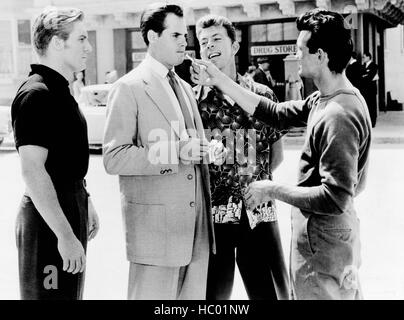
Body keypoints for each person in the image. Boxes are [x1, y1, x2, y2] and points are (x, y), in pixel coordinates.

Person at [190, 9, 372, 300]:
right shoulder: (325, 100)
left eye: (300, 49)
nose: (295, 55)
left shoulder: (338, 114)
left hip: (324, 242)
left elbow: (336, 197)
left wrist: (271, 189)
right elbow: (275, 113)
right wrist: (219, 80)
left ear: (321, 56)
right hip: (322, 238)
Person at [103, 3, 222, 300]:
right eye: (176, 35)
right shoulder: (128, 87)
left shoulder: (183, 86)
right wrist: (176, 153)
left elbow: (189, 146)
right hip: (155, 237)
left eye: (186, 35)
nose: (185, 42)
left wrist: (207, 150)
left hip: (195, 233)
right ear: (152, 36)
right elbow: (114, 157)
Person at [194, 14, 289, 300]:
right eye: (203, 42)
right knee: (212, 297)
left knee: (271, 292)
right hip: (214, 217)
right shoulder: (194, 100)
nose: (209, 46)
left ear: (235, 46)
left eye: (217, 39)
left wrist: (254, 183)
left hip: (259, 211)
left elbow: (276, 156)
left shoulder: (262, 95)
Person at [11, 6, 99, 300]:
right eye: (82, 39)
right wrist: (63, 234)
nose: (88, 47)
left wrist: (85, 199)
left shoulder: (60, 91)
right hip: (49, 218)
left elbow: (65, 160)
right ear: (57, 43)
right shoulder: (37, 94)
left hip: (67, 206)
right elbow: (33, 171)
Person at [361, 51, 378, 127]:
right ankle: (368, 122)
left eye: (364, 57)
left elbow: (369, 77)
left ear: (368, 57)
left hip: (371, 90)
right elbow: (363, 76)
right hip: (365, 90)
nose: (363, 59)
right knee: (367, 106)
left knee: (372, 106)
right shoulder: (363, 66)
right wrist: (365, 76)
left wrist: (365, 76)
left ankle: (373, 122)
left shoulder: (374, 66)